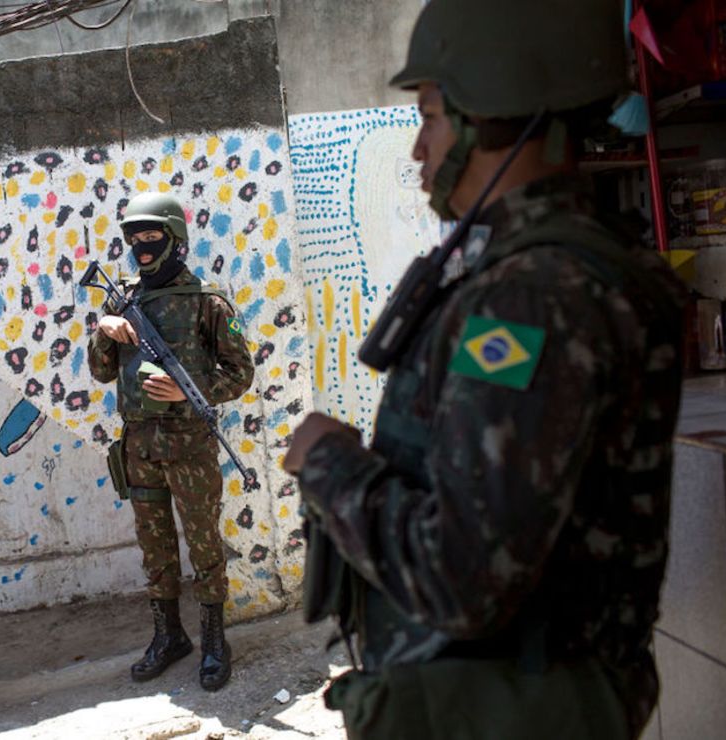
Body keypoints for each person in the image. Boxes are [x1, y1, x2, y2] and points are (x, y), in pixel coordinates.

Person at [283, 2, 687, 738]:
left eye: (431, 116)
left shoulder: (534, 297)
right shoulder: (547, 271)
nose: (418, 150)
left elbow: (462, 574)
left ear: (494, 113)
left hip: (511, 712)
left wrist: (328, 463)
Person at [88, 192, 254, 691]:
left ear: (174, 240)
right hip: (139, 446)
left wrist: (189, 389)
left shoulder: (207, 301)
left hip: (189, 446)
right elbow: (101, 373)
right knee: (154, 547)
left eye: (151, 236)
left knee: (203, 543)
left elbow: (240, 373)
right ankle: (169, 637)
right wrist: (104, 331)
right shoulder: (122, 298)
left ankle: (214, 640)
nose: (141, 247)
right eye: (133, 238)